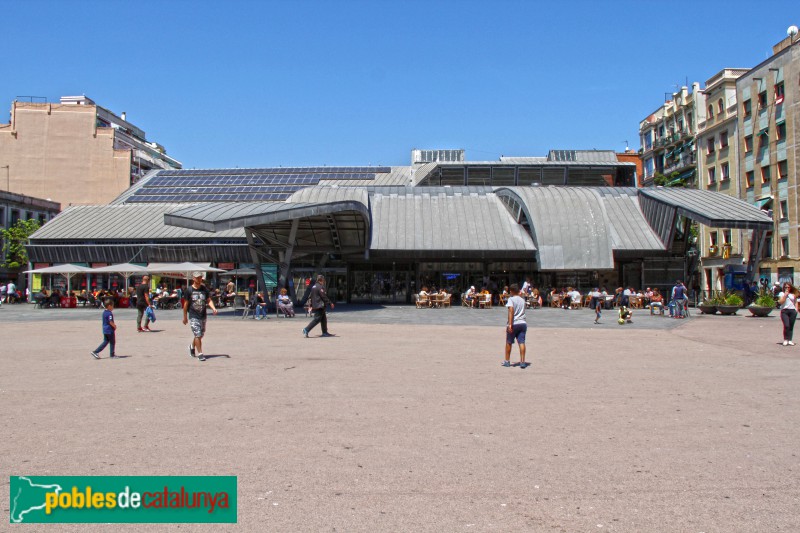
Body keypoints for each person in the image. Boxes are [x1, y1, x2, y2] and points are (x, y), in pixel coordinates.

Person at [184, 271, 218, 362]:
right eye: (197, 277)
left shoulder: (204, 289)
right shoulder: (189, 290)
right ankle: (200, 354)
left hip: (203, 315)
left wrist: (214, 308)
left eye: (200, 277)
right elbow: (185, 305)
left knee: (200, 335)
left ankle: (192, 346)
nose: (199, 279)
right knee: (197, 334)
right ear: (193, 278)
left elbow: (208, 300)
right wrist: (185, 317)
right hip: (193, 315)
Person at [502, 284, 528, 369]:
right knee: (521, 342)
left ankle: (507, 361)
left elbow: (511, 311)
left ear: (512, 291)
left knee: (509, 342)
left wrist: (510, 324)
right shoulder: (522, 300)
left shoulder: (511, 299)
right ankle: (522, 362)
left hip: (514, 323)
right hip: (523, 323)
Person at [778, 282, 799, 346]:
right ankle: (785, 339)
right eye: (785, 287)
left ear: (790, 287)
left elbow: (796, 302)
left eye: (788, 287)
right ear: (783, 287)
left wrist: (796, 310)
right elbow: (781, 302)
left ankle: (790, 340)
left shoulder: (793, 294)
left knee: (791, 326)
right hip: (784, 311)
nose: (787, 288)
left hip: (792, 311)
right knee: (786, 325)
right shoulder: (781, 293)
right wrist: (785, 295)